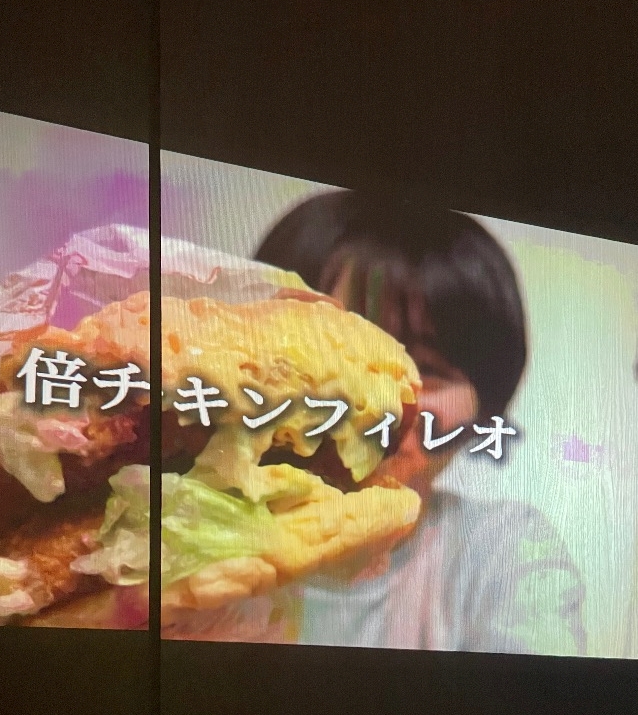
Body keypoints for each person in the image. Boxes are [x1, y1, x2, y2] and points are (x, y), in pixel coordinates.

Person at [248, 188, 587, 656]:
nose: (377, 404)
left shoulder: (500, 553)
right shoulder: (179, 529)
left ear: (485, 407)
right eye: (329, 353)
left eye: (425, 369)